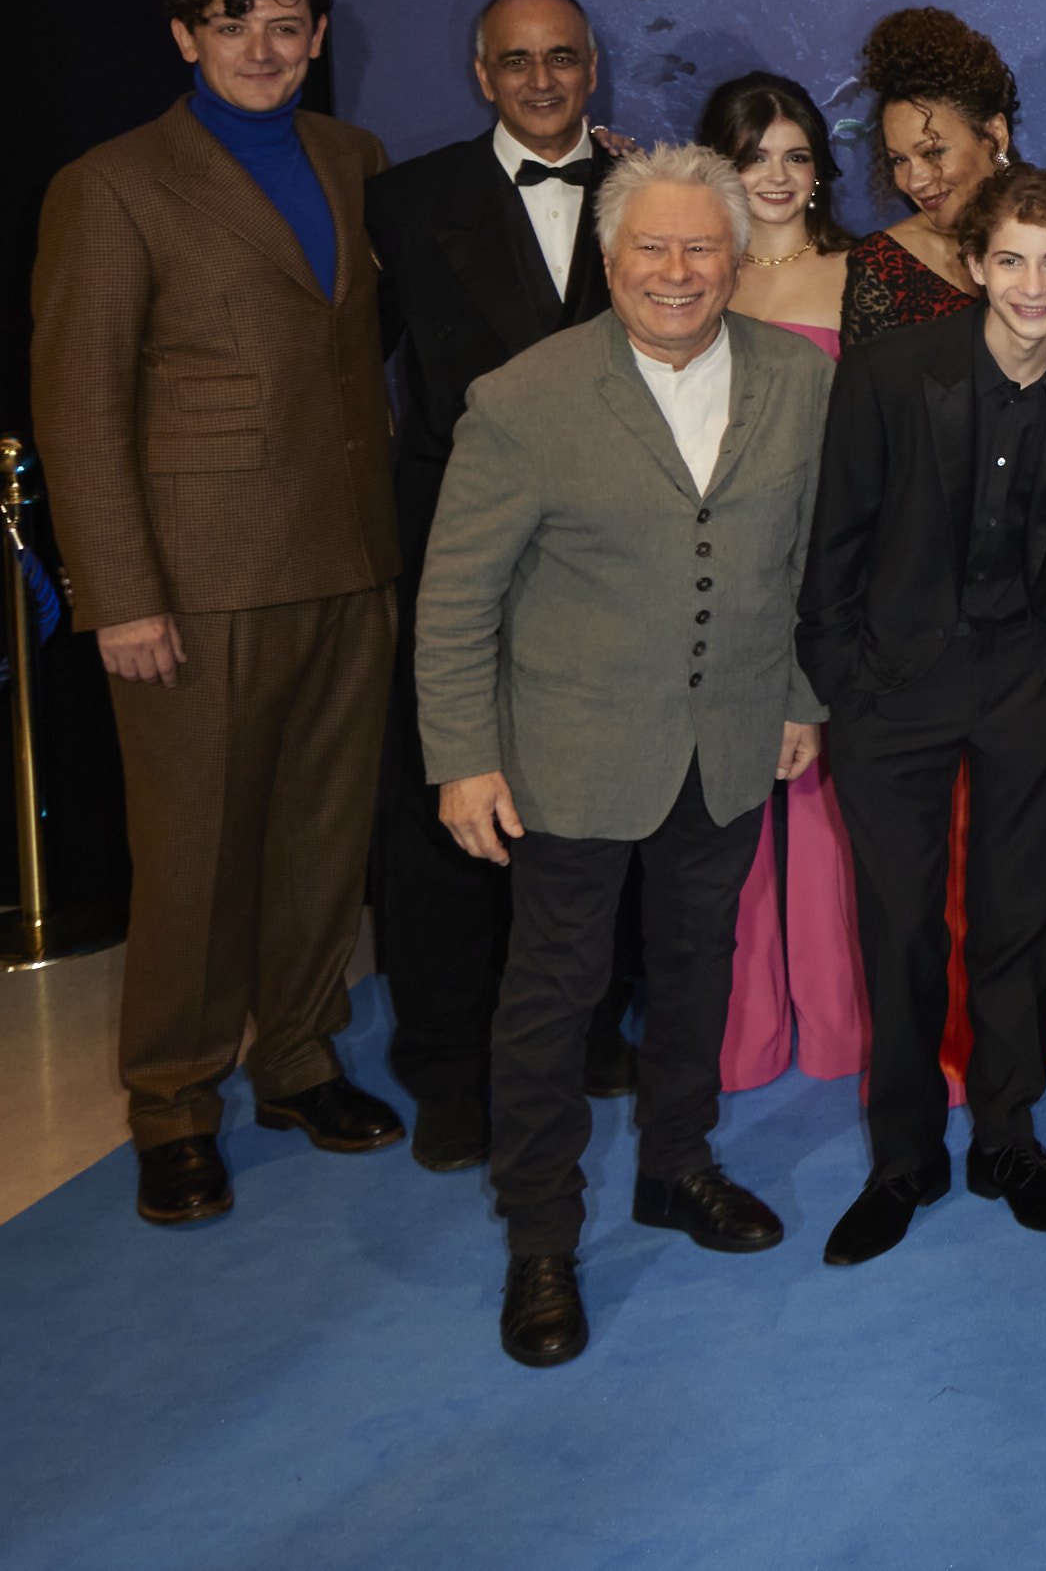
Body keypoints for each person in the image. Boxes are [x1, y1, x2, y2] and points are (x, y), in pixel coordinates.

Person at [414, 144, 837, 1367]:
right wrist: (463, 756)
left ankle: (676, 1164)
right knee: (553, 992)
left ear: (738, 258)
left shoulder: (798, 382)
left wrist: (797, 698)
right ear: (609, 261)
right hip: (571, 748)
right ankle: (541, 1234)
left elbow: (805, 564)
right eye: (651, 246)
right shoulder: (523, 397)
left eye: (702, 246)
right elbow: (456, 597)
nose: (677, 270)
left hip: (732, 736)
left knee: (700, 963)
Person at [32, 0, 406, 1225]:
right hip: (194, 583)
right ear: (186, 37)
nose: (263, 47)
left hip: (351, 556)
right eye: (234, 23)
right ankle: (174, 1105)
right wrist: (119, 593)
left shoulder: (352, 158)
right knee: (192, 856)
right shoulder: (111, 183)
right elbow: (79, 406)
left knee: (323, 837)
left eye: (285, 23)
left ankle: (299, 1059)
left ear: (316, 35)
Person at [800, 169, 1046, 1266]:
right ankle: (903, 1157)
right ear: (975, 264)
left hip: (1031, 677)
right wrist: (845, 679)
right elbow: (834, 537)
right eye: (1012, 260)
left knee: (1018, 918)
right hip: (893, 687)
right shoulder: (891, 372)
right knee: (900, 927)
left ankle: (1008, 1140)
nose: (1033, 285)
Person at [365, 0, 634, 1164]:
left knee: (593, 797)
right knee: (448, 802)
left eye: (561, 57)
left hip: (609, 550)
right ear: (482, 74)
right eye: (516, 60)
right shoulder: (404, 199)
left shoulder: (644, 191)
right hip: (459, 542)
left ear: (592, 68)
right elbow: (353, 372)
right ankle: (448, 1064)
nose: (540, 79)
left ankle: (587, 1025)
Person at [706, 72, 866, 1090]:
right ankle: (744, 1029)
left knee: (822, 797)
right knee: (724, 800)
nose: (776, 175)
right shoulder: (692, 273)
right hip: (716, 572)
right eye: (753, 155)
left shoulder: (863, 274)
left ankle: (841, 1022)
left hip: (828, 565)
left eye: (795, 155)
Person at [843, 7, 1014, 342]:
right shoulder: (885, 264)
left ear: (995, 134)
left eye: (933, 152)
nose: (914, 181)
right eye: (898, 160)